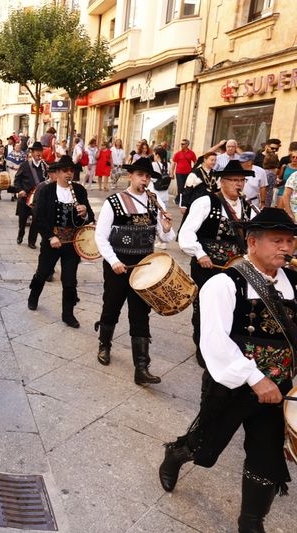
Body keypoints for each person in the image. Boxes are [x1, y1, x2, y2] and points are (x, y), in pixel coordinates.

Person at [159, 207, 297, 533]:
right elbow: (214, 342)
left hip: (277, 389)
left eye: (290, 241)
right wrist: (255, 377)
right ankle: (177, 453)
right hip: (232, 385)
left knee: (265, 458)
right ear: (252, 242)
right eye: (277, 240)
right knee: (204, 448)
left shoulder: (294, 282)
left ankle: (251, 522)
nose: (287, 248)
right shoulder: (224, 282)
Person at [94, 157, 175, 384]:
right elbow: (101, 236)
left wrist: (167, 228)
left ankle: (142, 367)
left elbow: (165, 236)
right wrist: (113, 261)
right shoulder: (115, 201)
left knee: (140, 313)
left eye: (148, 176)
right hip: (119, 265)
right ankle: (104, 344)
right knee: (112, 306)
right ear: (131, 176)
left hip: (145, 267)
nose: (145, 180)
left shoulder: (154, 201)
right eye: (141, 175)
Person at [178, 160, 256, 367]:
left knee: (233, 306)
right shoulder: (206, 202)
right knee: (204, 307)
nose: (239, 184)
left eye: (242, 180)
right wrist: (199, 253)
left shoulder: (248, 206)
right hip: (208, 266)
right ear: (222, 182)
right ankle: (202, 346)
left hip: (235, 268)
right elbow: (186, 233)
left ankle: (226, 345)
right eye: (235, 180)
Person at [26, 155, 94, 328]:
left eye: (71, 170)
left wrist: (84, 212)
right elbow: (38, 217)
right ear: (56, 173)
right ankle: (34, 296)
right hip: (52, 241)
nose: (68, 173)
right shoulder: (47, 190)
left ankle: (68, 314)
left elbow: (90, 216)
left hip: (72, 243)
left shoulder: (79, 190)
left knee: (70, 280)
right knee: (43, 272)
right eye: (64, 170)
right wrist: (50, 236)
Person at [13, 142, 47, 247]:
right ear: (31, 153)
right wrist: (20, 190)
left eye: (40, 151)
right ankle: (21, 233)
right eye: (36, 151)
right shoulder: (24, 165)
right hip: (25, 197)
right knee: (22, 220)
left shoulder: (44, 166)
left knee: (36, 220)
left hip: (37, 199)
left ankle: (31, 241)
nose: (39, 153)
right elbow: (17, 180)